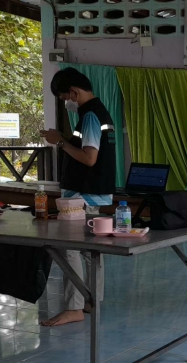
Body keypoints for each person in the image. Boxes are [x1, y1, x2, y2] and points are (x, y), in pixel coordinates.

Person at [39, 67, 116, 326]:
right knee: (89, 251)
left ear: (74, 92)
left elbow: (89, 158)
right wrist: (63, 138)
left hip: (83, 195)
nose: (65, 102)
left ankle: (74, 307)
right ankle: (91, 302)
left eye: (64, 97)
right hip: (93, 194)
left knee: (70, 249)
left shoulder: (91, 116)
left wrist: (60, 142)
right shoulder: (98, 112)